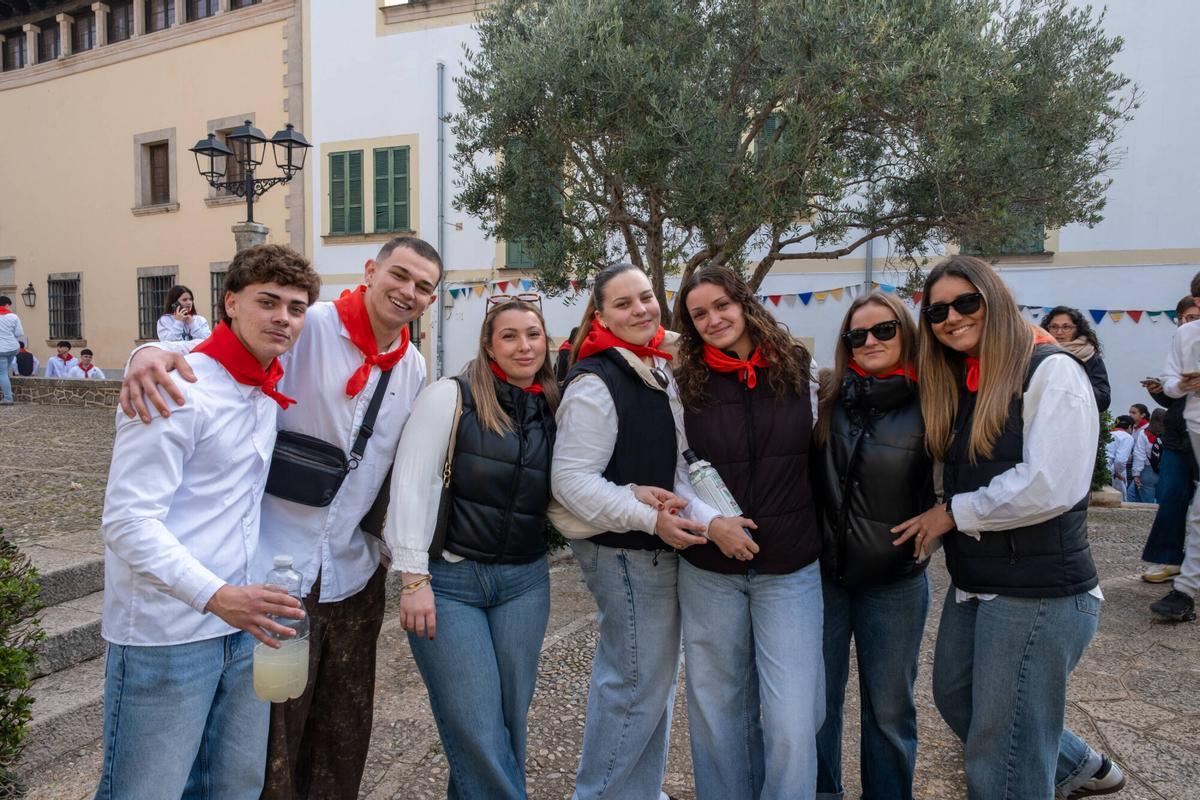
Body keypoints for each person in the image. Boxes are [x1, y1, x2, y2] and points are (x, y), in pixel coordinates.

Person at [118, 235, 443, 799]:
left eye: (423, 286)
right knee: (263, 752)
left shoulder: (412, 366)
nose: (408, 292)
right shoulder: (307, 323)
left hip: (348, 571)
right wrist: (144, 352)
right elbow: (215, 360)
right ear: (370, 270)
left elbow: (406, 470)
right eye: (399, 275)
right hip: (269, 573)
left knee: (337, 739)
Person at [893, 256, 1123, 799]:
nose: (951, 317)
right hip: (981, 583)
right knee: (959, 698)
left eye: (965, 302)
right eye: (937, 310)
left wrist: (952, 513)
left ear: (994, 300)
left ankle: (1047, 771)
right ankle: (1076, 765)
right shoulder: (968, 381)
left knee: (1004, 754)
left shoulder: (1052, 371)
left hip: (1038, 591)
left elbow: (1051, 485)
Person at [94, 244, 318, 799]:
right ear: (231, 302)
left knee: (235, 787)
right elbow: (127, 522)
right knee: (145, 790)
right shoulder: (175, 384)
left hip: (242, 628)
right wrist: (217, 595)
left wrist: (239, 605)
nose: (283, 318)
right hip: (165, 633)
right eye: (268, 302)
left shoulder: (264, 387)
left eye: (295, 308)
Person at [552, 262, 712, 800]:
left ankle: (640, 792)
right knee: (634, 684)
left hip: (649, 550)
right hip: (626, 553)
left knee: (652, 684)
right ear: (600, 316)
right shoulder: (598, 380)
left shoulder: (651, 361)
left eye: (646, 297)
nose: (641, 310)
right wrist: (649, 517)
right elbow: (571, 482)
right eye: (624, 304)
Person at [388, 296, 559, 799]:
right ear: (488, 345)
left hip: (525, 583)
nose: (523, 345)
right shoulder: (451, 396)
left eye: (533, 333)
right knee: (478, 731)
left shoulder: (555, 404)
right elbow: (412, 484)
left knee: (507, 725)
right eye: (509, 335)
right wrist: (413, 578)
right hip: (451, 584)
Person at [668, 266, 823, 799]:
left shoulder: (800, 369)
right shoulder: (682, 382)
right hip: (711, 570)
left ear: (744, 303)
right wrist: (713, 525)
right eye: (699, 314)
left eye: (722, 306)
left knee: (792, 718)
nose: (714, 319)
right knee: (719, 713)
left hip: (791, 569)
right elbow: (676, 470)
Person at [812, 291, 932, 800]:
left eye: (883, 330)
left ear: (906, 332)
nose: (869, 341)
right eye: (856, 335)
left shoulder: (935, 402)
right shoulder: (826, 398)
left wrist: (947, 512)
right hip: (824, 579)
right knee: (818, 704)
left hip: (894, 582)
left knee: (889, 709)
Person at [1149, 272, 1200, 623]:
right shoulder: (1186, 334)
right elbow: (1169, 381)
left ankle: (1185, 588)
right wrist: (1182, 384)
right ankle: (1185, 588)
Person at [1042, 306, 1111, 412]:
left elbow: (1103, 401)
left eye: (1066, 327)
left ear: (1077, 329)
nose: (1059, 332)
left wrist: (1073, 382)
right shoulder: (1037, 354)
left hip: (1077, 421)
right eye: (1054, 327)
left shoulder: (1090, 356)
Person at [1126, 403, 1156, 502]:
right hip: (1137, 465)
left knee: (1146, 498)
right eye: (1130, 412)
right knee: (1131, 495)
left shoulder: (1146, 429)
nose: (1130, 414)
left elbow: (1139, 453)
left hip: (1144, 466)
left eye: (1134, 413)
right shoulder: (1135, 428)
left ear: (1142, 415)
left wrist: (1136, 473)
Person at [0, 295, 24, 405]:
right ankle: (7, 388)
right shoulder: (14, 317)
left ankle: (8, 398)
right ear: (6, 305)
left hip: (1, 350)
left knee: (2, 373)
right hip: (14, 348)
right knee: (4, 371)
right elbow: (19, 333)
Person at [1107, 415, 1136, 496]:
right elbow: (1120, 460)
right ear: (1130, 427)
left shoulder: (1108, 433)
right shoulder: (1127, 437)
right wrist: (1117, 473)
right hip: (1109, 474)